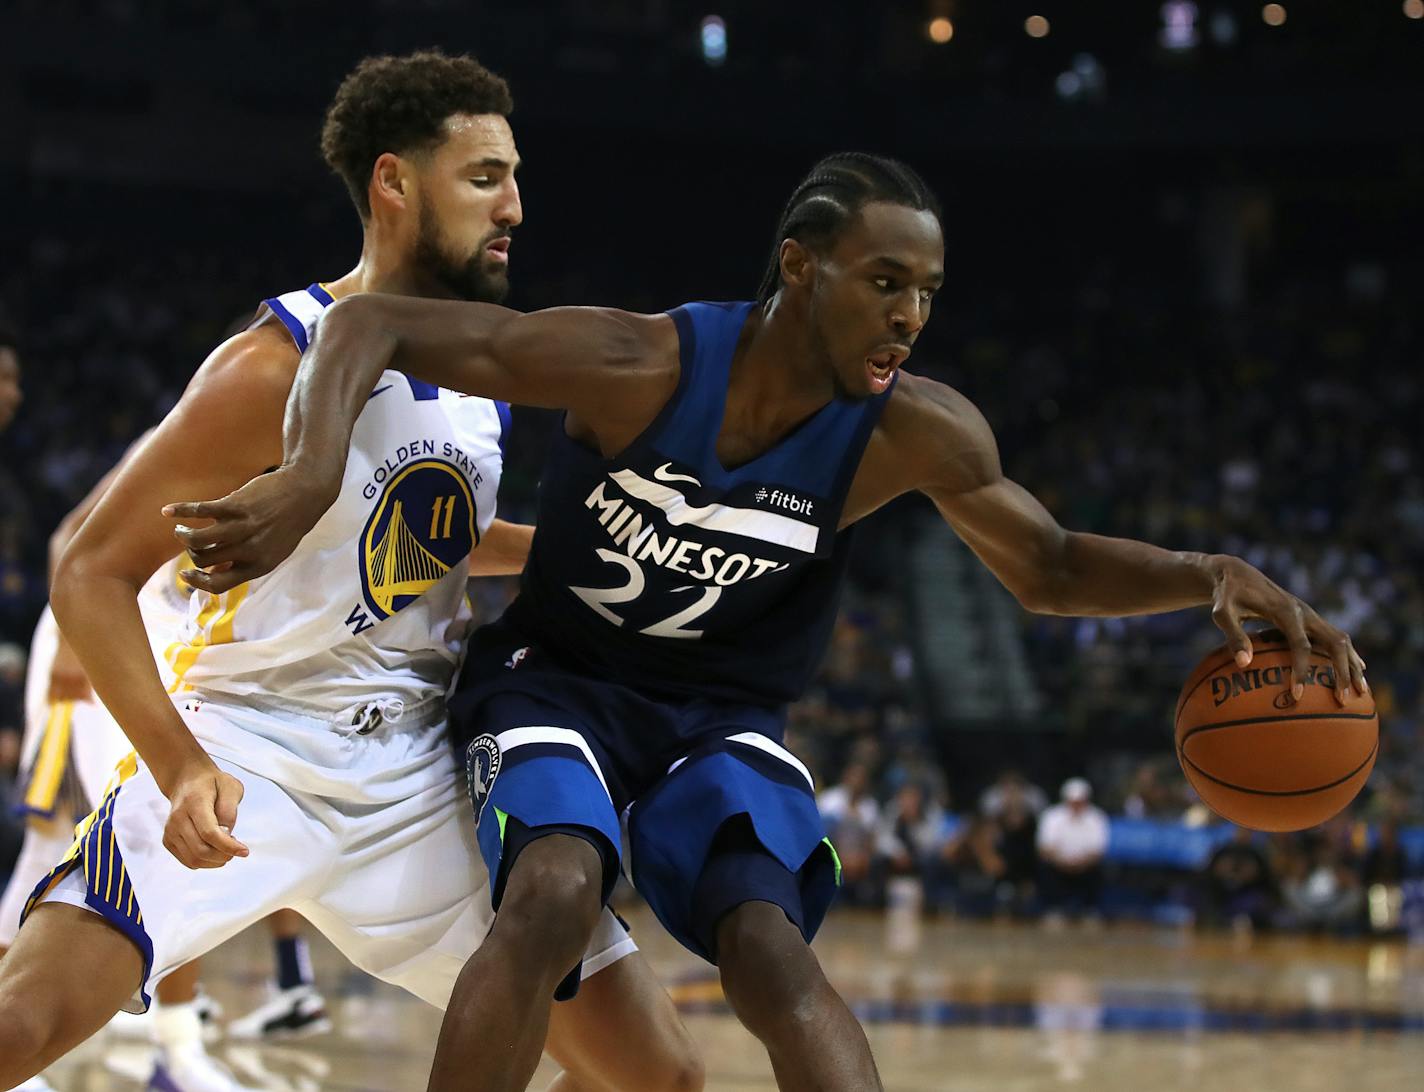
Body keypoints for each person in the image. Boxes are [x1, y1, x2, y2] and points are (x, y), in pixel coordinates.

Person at [170, 150, 1368, 1092]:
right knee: (552, 891)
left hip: (717, 717)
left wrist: (1205, 569)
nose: (908, 318)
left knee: (770, 947)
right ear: (800, 267)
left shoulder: (912, 431)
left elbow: (1046, 568)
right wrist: (311, 470)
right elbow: (372, 324)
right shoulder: (637, 363)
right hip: (557, 682)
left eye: (926, 295)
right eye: (883, 283)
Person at [0, 50, 701, 1092]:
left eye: (513, 177)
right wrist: (179, 762)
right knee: (20, 1029)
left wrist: (597, 557)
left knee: (660, 1076)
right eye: (482, 178)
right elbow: (88, 569)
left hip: (413, 778)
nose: (513, 205)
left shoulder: (484, 375)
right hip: (252, 752)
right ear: (393, 183)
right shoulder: (272, 363)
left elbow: (440, 538)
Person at [1036, 778, 1110, 923]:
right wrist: (1063, 862)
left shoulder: (1097, 817)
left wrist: (1080, 864)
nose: (1076, 806)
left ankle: (1090, 909)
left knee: (1099, 869)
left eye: (1080, 802)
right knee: (1045, 867)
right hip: (1058, 865)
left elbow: (1098, 851)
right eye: (1073, 801)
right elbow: (1045, 849)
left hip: (1086, 866)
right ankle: (1053, 909)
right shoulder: (1052, 816)